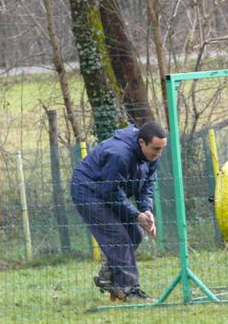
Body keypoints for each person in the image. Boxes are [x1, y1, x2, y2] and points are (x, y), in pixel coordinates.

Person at [70, 121, 167, 301]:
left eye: (161, 149)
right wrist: (136, 214)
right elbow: (110, 191)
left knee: (135, 234)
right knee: (119, 238)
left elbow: (147, 183)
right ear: (141, 143)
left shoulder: (151, 155)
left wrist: (146, 209)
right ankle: (129, 291)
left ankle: (108, 276)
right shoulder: (119, 155)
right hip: (88, 192)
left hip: (107, 191)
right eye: (155, 149)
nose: (158, 154)